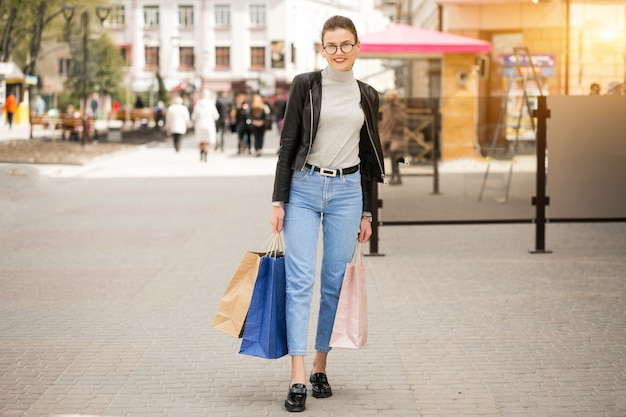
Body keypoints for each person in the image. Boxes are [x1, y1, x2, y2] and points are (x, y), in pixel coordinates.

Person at [269, 15, 385, 413]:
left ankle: (321, 364)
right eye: (331, 45)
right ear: (322, 48)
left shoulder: (367, 95)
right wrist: (277, 201)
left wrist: (369, 212)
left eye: (346, 44)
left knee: (334, 283)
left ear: (357, 47)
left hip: (348, 193)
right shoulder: (305, 85)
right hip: (303, 189)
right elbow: (287, 146)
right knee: (300, 282)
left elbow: (370, 157)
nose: (339, 52)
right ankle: (297, 374)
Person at [379, 90, 406, 185]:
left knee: (396, 156)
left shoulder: (399, 108)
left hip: (397, 136)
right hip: (388, 136)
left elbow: (401, 119)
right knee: (392, 157)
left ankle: (397, 177)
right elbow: (383, 122)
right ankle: (395, 176)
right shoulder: (385, 109)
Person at [192, 90, 220, 162]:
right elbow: (216, 116)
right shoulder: (211, 104)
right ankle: (206, 154)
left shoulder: (197, 105)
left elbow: (193, 117)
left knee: (200, 140)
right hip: (209, 124)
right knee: (207, 140)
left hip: (199, 124)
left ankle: (201, 153)